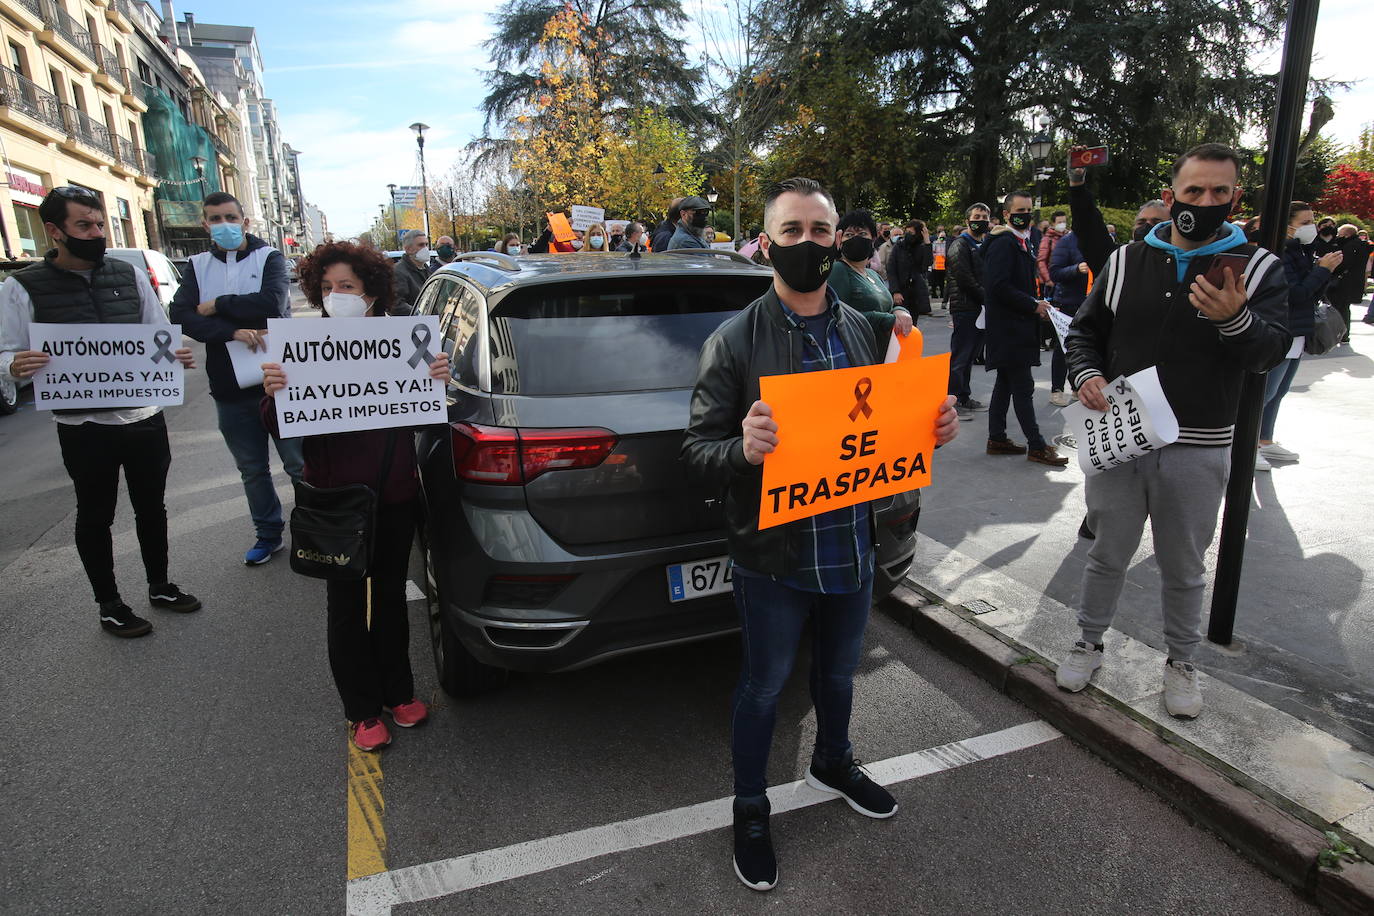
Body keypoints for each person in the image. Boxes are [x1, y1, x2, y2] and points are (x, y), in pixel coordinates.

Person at [681, 177, 957, 893]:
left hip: (850, 546)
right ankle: (750, 808)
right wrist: (741, 448)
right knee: (764, 687)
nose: (809, 244)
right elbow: (697, 453)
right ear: (767, 242)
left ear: (840, 240)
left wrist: (932, 425)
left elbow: (887, 428)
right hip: (774, 557)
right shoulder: (735, 340)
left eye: (821, 231)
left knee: (836, 675)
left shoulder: (863, 329)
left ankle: (834, 761)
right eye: (793, 231)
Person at [1059, 143, 1291, 717]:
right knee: (1106, 552)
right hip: (1122, 435)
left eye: (1219, 192)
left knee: (1184, 564)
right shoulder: (1126, 260)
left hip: (1198, 444)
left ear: (1236, 198)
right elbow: (1086, 332)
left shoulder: (1256, 268)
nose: (1205, 202)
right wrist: (1087, 372)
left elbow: (1270, 352)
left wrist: (1233, 320)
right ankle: (1087, 642)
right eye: (1194, 191)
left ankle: (1182, 662)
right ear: (1172, 195)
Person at [260, 241, 451, 752]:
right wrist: (276, 391)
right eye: (326, 287)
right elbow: (281, 424)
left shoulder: (399, 342)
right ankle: (361, 709)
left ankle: (399, 692)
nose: (336, 295)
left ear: (370, 292)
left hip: (392, 496)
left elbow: (426, 418)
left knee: (389, 601)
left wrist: (435, 383)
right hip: (336, 503)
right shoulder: (304, 347)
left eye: (346, 286)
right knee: (345, 606)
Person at [1, 186, 200, 637]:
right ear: (54, 231)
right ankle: (109, 603)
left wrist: (175, 354)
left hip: (144, 418)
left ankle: (160, 585)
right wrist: (13, 365)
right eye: (83, 226)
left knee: (152, 507)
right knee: (96, 514)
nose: (96, 233)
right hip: (84, 425)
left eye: (100, 223)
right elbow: (5, 351)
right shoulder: (21, 287)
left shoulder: (127, 276)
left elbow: (157, 335)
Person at [171, 191, 304, 565]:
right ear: (205, 224)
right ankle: (268, 535)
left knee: (298, 466)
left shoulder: (270, 258)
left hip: (279, 382)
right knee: (252, 470)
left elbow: (271, 304)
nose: (223, 225)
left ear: (245, 222)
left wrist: (217, 305)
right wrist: (230, 332)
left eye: (230, 217)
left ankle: (315, 530)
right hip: (229, 387)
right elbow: (181, 315)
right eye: (215, 218)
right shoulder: (196, 265)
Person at [981, 191, 1069, 467]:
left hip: (1015, 326)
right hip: (1010, 329)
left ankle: (997, 438)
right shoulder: (1004, 243)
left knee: (1005, 384)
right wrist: (1032, 305)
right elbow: (998, 286)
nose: (1026, 215)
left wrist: (1035, 303)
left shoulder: (1021, 241)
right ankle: (1037, 445)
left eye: (1029, 210)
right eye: (1020, 210)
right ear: (1007, 214)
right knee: (1022, 387)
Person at [1257, 201, 1342, 471]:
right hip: (1284, 328)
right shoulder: (1281, 252)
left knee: (1279, 391)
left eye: (1312, 221)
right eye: (1305, 222)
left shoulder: (1302, 251)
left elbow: (1311, 292)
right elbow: (1295, 294)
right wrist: (1322, 271)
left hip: (1297, 331)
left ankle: (1264, 440)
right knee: (1266, 393)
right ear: (1288, 225)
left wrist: (1323, 271)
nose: (1312, 227)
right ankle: (1246, 443)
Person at [827, 209, 913, 342]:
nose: (856, 238)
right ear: (840, 240)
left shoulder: (873, 275)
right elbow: (837, 317)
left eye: (862, 233)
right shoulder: (839, 270)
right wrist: (887, 319)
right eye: (849, 234)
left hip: (886, 351)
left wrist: (900, 310)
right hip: (859, 352)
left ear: (872, 239)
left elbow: (888, 307)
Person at [946, 203, 991, 419]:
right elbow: (965, 279)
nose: (980, 220)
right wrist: (987, 297)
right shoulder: (960, 245)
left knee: (971, 355)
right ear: (967, 220)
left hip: (979, 309)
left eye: (984, 216)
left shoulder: (984, 244)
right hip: (965, 307)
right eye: (976, 216)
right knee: (961, 357)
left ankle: (964, 396)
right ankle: (953, 400)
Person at [1046, 227, 1088, 407]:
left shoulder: (1099, 241)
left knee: (1086, 348)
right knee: (1063, 347)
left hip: (1091, 302)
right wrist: (1076, 269)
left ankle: (1078, 387)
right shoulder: (1067, 242)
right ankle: (1057, 390)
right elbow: (1054, 272)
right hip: (1068, 302)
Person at [1329, 224, 1373, 341]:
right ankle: (1344, 333)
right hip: (1354, 281)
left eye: (1340, 234)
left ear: (1347, 234)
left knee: (1340, 308)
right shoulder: (1362, 245)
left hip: (1344, 282)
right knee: (1344, 308)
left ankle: (1341, 333)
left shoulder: (1350, 246)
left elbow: (1345, 263)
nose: (1338, 236)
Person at [887, 220, 933, 318]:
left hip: (916, 292)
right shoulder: (898, 247)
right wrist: (895, 291)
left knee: (913, 323)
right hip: (901, 291)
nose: (908, 235)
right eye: (907, 232)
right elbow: (891, 269)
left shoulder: (921, 248)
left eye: (911, 233)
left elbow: (927, 264)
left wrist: (927, 242)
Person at [392, 230, 431, 313]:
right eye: (421, 245)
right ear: (408, 249)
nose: (425, 248)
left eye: (426, 244)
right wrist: (420, 313)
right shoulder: (398, 272)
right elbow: (396, 304)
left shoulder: (426, 269)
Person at [1037, 210, 1067, 296]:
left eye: (1064, 222)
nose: (1062, 224)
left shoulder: (1068, 237)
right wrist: (1048, 280)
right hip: (1051, 282)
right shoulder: (1047, 239)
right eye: (1059, 222)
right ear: (1053, 224)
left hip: (1064, 280)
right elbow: (1041, 261)